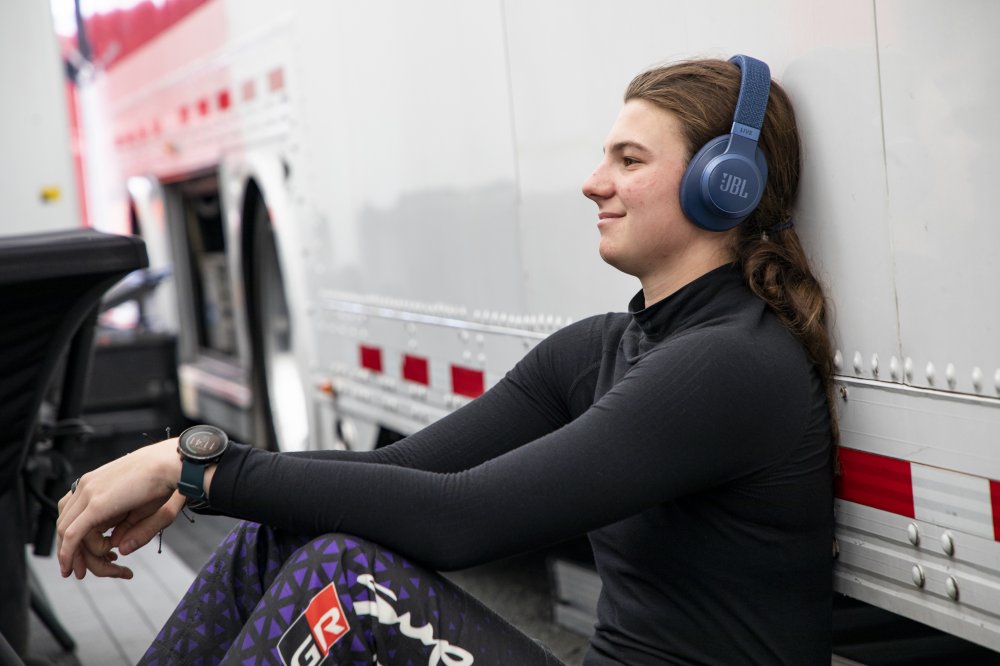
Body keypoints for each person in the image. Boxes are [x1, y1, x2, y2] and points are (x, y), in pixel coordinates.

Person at [57, 55, 837, 665]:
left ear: (724, 188)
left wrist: (200, 471)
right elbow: (406, 472)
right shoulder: (603, 348)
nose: (593, 182)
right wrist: (195, 467)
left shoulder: (731, 365)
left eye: (629, 160)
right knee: (271, 537)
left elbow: (462, 518)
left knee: (344, 582)